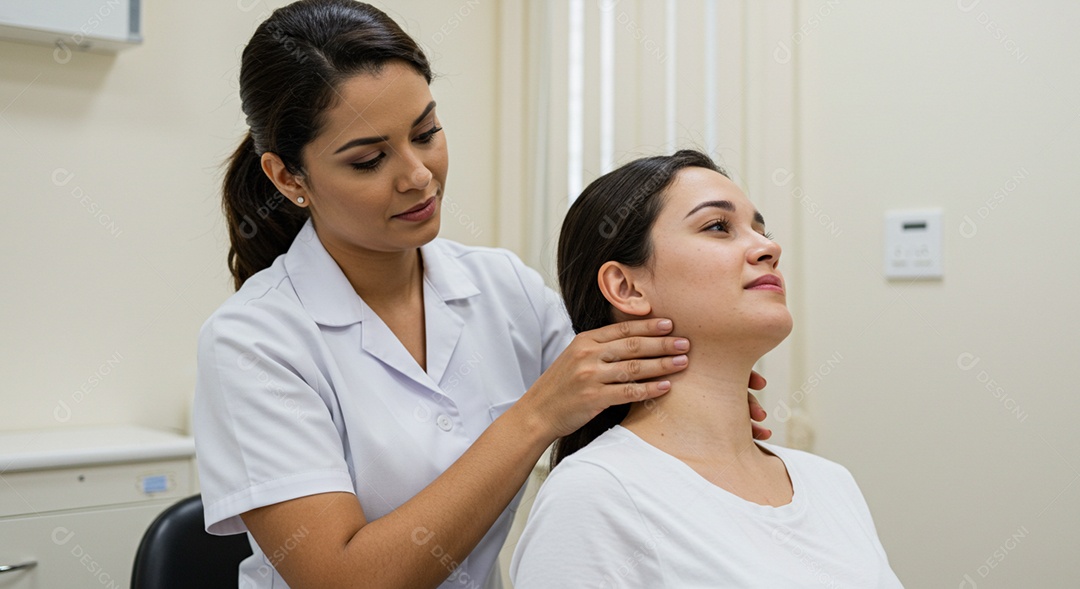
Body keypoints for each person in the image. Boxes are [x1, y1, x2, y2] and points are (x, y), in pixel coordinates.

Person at [192, 2, 771, 588]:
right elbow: (343, 579)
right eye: (369, 160)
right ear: (289, 177)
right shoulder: (253, 342)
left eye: (427, 133)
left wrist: (693, 387)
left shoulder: (504, 289)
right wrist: (538, 414)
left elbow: (611, 397)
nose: (418, 174)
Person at [510, 150, 904, 588]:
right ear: (627, 287)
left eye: (761, 230)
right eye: (718, 227)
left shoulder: (830, 484)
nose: (768, 247)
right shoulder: (595, 496)